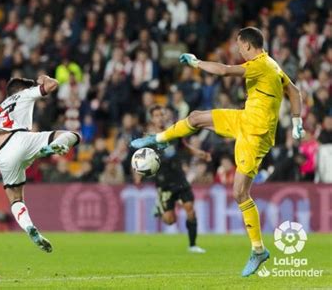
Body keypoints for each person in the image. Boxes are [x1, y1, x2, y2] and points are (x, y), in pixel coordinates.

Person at [131, 27, 305, 277]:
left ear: (247, 45)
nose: (237, 49)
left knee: (240, 193)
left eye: (238, 45)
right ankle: (158, 139)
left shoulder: (261, 65)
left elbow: (224, 71)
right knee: (196, 117)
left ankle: (258, 250)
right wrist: (297, 121)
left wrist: (197, 62)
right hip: (245, 119)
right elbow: (295, 91)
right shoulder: (273, 65)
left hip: (255, 135)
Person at [0, 75, 81, 253]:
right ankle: (54, 147)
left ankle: (29, 227)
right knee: (74, 136)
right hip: (22, 139)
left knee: (15, 197)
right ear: (20, 89)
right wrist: (43, 78)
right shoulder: (24, 94)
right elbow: (53, 85)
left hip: (3, 154)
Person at [140, 105, 209, 253]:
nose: (159, 117)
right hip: (164, 182)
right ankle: (160, 208)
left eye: (161, 114)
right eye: (156, 115)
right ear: (151, 119)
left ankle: (193, 245)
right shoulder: (148, 139)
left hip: (179, 177)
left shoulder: (173, 131)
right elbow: (141, 160)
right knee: (170, 221)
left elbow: (185, 146)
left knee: (190, 209)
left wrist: (199, 153)